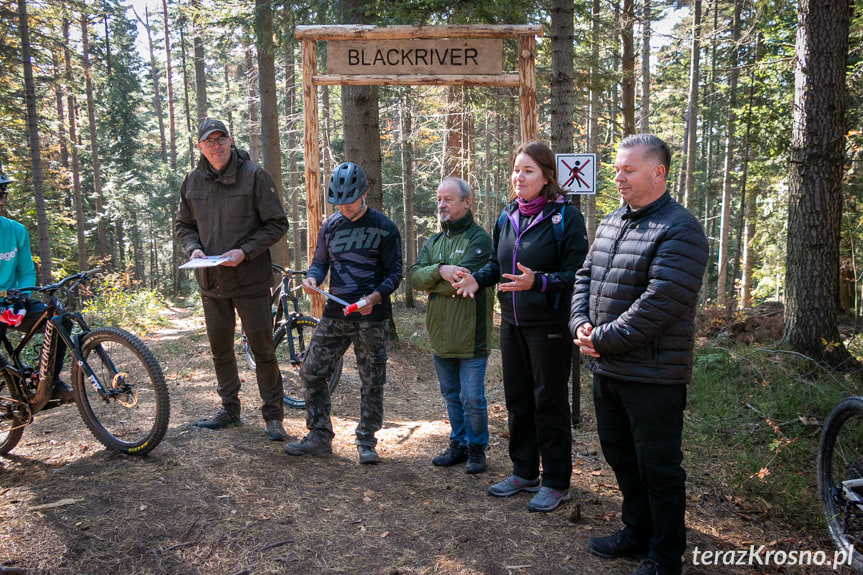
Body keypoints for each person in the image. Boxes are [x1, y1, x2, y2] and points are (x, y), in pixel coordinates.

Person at [570, 134, 708, 575]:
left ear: (657, 173)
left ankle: (666, 557)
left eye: (628, 169)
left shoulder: (680, 229)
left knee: (659, 469)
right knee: (621, 457)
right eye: (616, 168)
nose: (618, 176)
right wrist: (579, 325)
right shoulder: (613, 222)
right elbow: (584, 276)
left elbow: (661, 302)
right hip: (608, 367)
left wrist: (602, 337)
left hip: (653, 375)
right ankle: (636, 532)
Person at [453, 141, 588, 512]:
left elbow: (578, 275)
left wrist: (538, 282)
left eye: (528, 171)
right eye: (516, 170)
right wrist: (477, 280)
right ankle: (524, 471)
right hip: (511, 323)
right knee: (518, 399)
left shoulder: (566, 219)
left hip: (549, 326)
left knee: (549, 401)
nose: (519, 177)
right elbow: (499, 267)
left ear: (547, 177)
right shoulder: (507, 215)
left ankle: (557, 482)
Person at [175, 119, 289, 442]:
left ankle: (273, 415)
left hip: (250, 281)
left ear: (229, 140)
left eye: (221, 138)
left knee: (263, 349)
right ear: (199, 147)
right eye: (208, 141)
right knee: (220, 349)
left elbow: (278, 224)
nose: (216, 145)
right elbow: (183, 226)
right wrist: (193, 249)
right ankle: (229, 409)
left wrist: (246, 251)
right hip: (211, 283)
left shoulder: (254, 177)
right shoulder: (191, 182)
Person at [284, 162, 402, 465]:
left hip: (371, 318)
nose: (344, 208)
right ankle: (319, 435)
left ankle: (366, 441)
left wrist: (374, 297)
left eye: (349, 201)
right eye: (338, 203)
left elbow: (394, 273)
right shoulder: (331, 225)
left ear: (363, 193)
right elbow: (319, 263)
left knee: (372, 380)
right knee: (311, 371)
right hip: (336, 313)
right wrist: (312, 278)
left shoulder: (385, 228)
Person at [408, 177, 494, 474]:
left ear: (467, 202)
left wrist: (436, 282)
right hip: (440, 335)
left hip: (471, 336)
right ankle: (458, 443)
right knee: (451, 396)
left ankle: (477, 448)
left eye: (448, 199)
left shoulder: (479, 239)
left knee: (472, 398)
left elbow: (464, 283)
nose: (441, 205)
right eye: (439, 200)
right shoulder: (434, 241)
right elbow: (414, 277)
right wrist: (441, 270)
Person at [0, 166, 73, 405]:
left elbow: (27, 271)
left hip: (12, 302)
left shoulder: (15, 230)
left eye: (1, 192)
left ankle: (50, 382)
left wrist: (21, 296)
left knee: (60, 320)